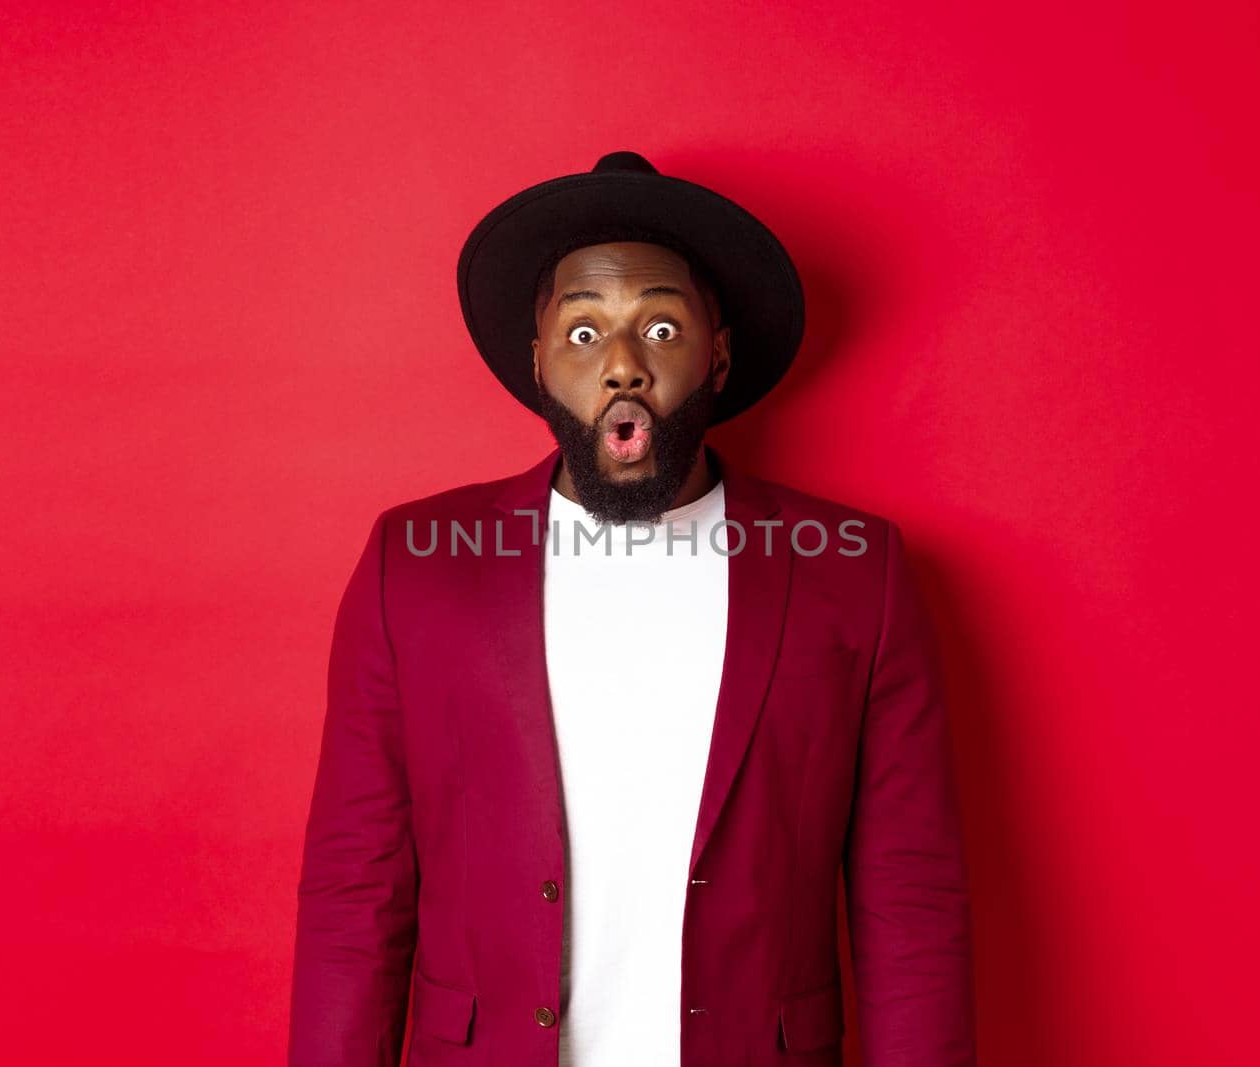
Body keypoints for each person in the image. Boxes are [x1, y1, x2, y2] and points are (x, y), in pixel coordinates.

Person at [288, 150, 976, 1067]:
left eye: (659, 327)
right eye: (583, 333)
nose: (621, 365)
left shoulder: (857, 574)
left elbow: (910, 902)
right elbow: (355, 889)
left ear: (717, 354)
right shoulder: (413, 565)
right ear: (537, 364)